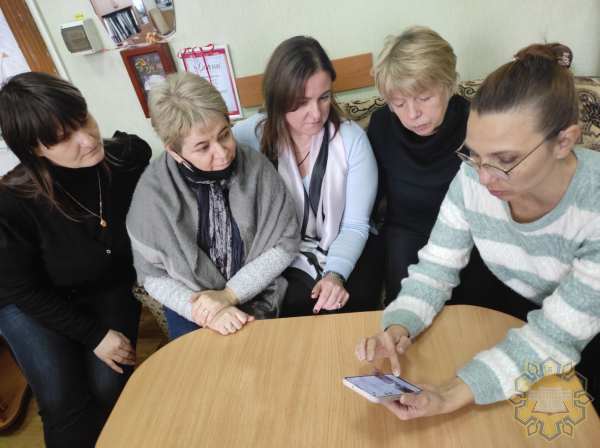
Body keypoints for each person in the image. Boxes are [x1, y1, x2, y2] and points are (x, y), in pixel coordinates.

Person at [356, 43, 600, 418]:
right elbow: (436, 268)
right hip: (521, 315)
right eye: (474, 155)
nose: (484, 178)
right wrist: (399, 325)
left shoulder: (593, 205)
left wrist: (453, 392)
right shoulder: (473, 177)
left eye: (505, 159)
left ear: (563, 142)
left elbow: (557, 335)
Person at [0, 72, 151, 447]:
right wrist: (94, 335)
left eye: (83, 119)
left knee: (109, 385)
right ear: (35, 149)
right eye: (63, 137)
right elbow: (22, 289)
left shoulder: (127, 158)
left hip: (105, 285)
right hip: (31, 299)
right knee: (63, 400)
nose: (87, 139)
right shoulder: (12, 202)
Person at [127, 72, 299, 340]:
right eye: (203, 147)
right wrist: (208, 312)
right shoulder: (152, 193)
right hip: (192, 305)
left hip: (258, 291)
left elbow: (285, 244)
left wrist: (229, 295)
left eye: (224, 134)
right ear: (174, 151)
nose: (222, 152)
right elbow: (152, 275)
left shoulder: (256, 167)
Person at [233, 36, 380, 317]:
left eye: (324, 97)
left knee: (348, 302)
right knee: (288, 306)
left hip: (346, 241)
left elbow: (355, 225)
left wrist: (335, 274)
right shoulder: (250, 136)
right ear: (278, 100)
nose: (316, 114)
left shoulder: (352, 141)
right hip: (285, 248)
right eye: (301, 103)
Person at [368, 26, 470, 305]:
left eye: (424, 98)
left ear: (450, 85)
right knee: (406, 307)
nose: (413, 114)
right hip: (407, 233)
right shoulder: (381, 126)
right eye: (399, 103)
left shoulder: (477, 123)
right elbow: (368, 199)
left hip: (468, 234)